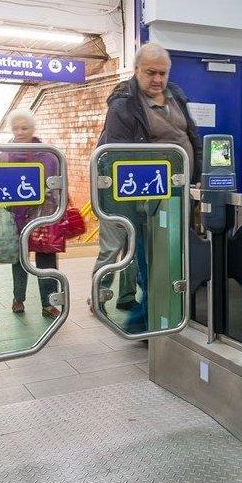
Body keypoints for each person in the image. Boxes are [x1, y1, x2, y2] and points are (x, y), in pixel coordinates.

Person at [90, 42, 202, 318]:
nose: (158, 79)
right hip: (139, 194)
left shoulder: (176, 95)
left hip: (176, 191)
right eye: (151, 72)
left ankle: (151, 308)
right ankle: (100, 297)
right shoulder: (123, 105)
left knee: (161, 253)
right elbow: (119, 156)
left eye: (163, 73)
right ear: (137, 70)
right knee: (121, 250)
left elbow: (191, 137)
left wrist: (196, 177)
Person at [0, 109, 62, 319]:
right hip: (16, 214)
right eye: (15, 128)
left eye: (24, 128)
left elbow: (55, 182)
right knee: (18, 259)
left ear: (33, 129)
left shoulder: (46, 153)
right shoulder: (4, 153)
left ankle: (49, 302)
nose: (19, 132)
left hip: (41, 215)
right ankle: (18, 298)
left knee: (46, 259)